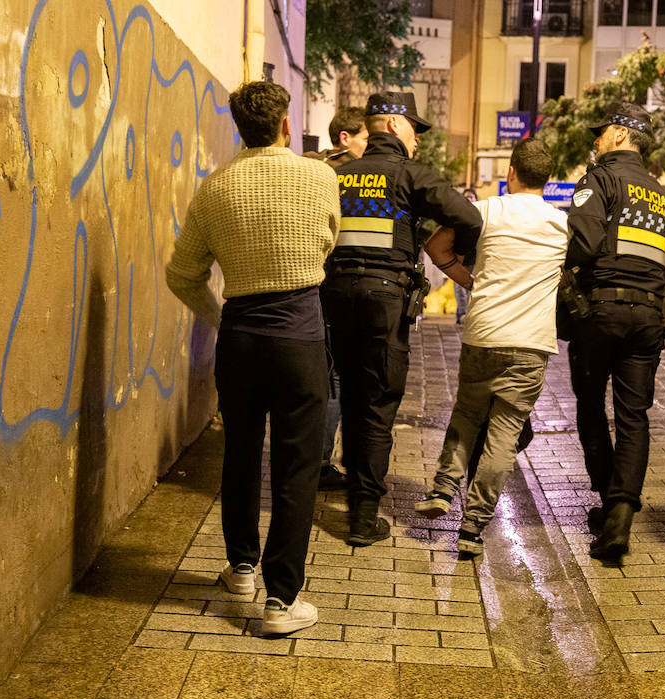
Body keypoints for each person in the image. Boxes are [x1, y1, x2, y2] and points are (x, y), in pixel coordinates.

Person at [165, 81, 340, 636]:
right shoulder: (319, 177)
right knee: (296, 468)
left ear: (239, 129)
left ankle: (240, 568)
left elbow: (181, 273)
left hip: (240, 340)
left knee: (241, 453)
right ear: (286, 125)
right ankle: (281, 600)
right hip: (301, 339)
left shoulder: (215, 189)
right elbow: (328, 242)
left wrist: (221, 316)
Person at [322, 91, 482, 546]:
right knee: (376, 406)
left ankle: (356, 498)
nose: (418, 140)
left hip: (335, 296)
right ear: (393, 125)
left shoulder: (338, 174)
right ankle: (362, 516)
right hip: (385, 300)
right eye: (415, 129)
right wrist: (444, 249)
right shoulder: (411, 174)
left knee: (349, 398)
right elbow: (469, 216)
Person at [415, 138, 567, 555]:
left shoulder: (485, 210)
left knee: (467, 413)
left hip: (484, 333)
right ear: (548, 180)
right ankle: (472, 529)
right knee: (503, 436)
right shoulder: (561, 225)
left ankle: (444, 490)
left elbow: (436, 247)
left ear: (511, 172)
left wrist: (469, 281)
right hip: (532, 342)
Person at [564, 102, 665, 561]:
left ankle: (610, 504)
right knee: (634, 416)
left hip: (601, 313)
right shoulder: (660, 193)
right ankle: (620, 511)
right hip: (649, 318)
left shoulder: (599, 180)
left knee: (590, 406)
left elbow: (585, 244)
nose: (595, 141)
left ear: (620, 134)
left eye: (601, 133)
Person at [315, 107, 372, 492]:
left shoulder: (314, 168)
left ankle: (310, 459)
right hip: (335, 286)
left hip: (313, 286)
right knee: (335, 377)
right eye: (366, 139)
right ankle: (319, 463)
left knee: (323, 375)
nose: (371, 147)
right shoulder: (340, 174)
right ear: (345, 138)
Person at [453, 187, 478, 324]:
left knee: (470, 290)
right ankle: (461, 316)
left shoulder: (481, 216)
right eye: (466, 197)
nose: (468, 199)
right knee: (459, 291)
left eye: (471, 197)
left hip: (474, 260)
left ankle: (465, 316)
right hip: (459, 260)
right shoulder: (457, 216)